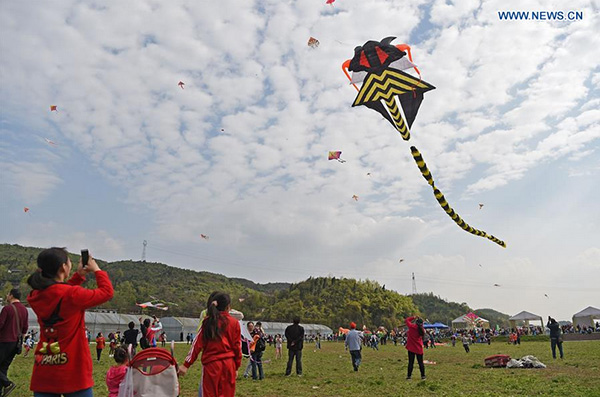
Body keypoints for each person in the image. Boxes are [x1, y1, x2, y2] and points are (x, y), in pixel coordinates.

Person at [27, 247, 114, 396]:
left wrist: (79, 276)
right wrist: (97, 270)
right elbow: (107, 292)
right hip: (74, 371)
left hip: (44, 368)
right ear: (63, 267)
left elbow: (59, 291)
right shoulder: (72, 295)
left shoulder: (35, 294)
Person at [178, 292, 241, 397]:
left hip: (211, 366)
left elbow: (197, 344)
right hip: (229, 366)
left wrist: (186, 364)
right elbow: (237, 347)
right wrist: (236, 367)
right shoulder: (234, 323)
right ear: (228, 307)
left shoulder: (207, 322)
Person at [0, 288, 28, 397]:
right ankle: (3, 390)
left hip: (4, 341)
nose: (7, 296)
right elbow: (25, 328)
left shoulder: (7, 309)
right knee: (3, 368)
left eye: (8, 294)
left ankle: (8, 383)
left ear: (11, 296)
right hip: (15, 343)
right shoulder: (24, 310)